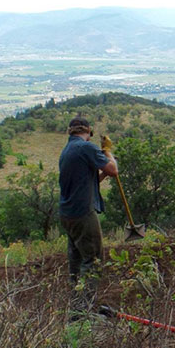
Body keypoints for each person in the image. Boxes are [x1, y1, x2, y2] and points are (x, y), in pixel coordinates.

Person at [58, 117, 118, 315]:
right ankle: (84, 312)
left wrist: (101, 174)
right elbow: (113, 170)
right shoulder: (86, 148)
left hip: (67, 214)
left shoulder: (67, 151)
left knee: (76, 262)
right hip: (83, 213)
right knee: (93, 260)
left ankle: (75, 307)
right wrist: (107, 152)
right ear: (89, 131)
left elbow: (89, 181)